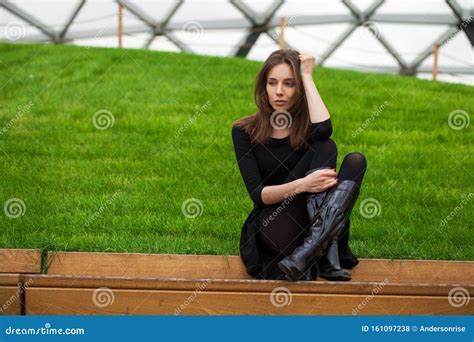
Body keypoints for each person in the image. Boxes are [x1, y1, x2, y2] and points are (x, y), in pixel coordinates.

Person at [231, 49, 367, 281]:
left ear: (300, 90)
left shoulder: (309, 129)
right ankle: (325, 251)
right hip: (275, 224)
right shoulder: (244, 131)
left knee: (352, 158)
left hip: (309, 223)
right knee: (325, 146)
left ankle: (311, 249)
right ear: (264, 87)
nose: (279, 91)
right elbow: (258, 195)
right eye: (272, 83)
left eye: (289, 83)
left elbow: (324, 130)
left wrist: (307, 76)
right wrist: (303, 185)